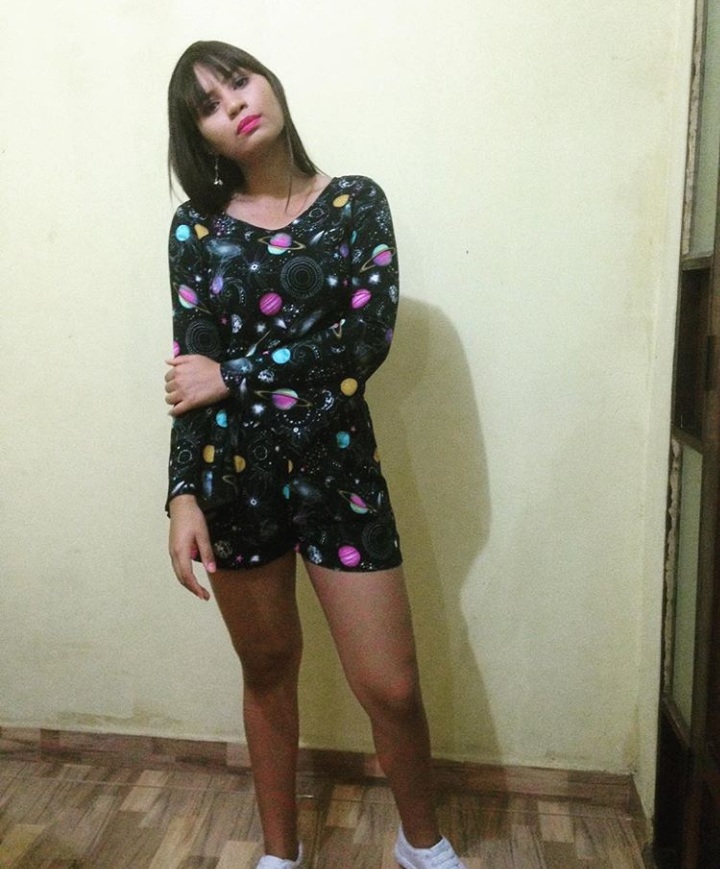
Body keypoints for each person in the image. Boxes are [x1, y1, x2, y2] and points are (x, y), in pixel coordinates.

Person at [164, 40, 467, 869]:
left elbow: (365, 340)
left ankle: (423, 845)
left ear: (269, 83)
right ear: (200, 136)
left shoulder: (355, 203)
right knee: (268, 669)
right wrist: (181, 493)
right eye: (208, 105)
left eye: (239, 81)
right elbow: (192, 372)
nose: (234, 103)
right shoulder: (196, 227)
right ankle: (279, 854)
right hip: (233, 477)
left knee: (392, 687)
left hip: (341, 473)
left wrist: (236, 373)